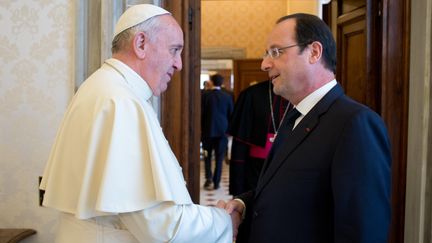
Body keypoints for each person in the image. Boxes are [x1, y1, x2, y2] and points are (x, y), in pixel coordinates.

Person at [39, 4, 233, 243]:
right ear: (140, 44)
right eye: (174, 50)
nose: (179, 64)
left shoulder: (103, 86)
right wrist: (224, 220)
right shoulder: (122, 102)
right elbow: (162, 227)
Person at [221, 13, 391, 243]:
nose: (264, 64)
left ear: (314, 52)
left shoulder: (355, 124)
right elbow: (288, 191)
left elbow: (362, 231)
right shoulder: (295, 116)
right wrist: (242, 204)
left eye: (276, 52)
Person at [228, 80, 291, 196]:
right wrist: (238, 191)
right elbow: (240, 147)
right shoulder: (251, 94)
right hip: (255, 171)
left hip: (291, 170)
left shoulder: (304, 94)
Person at [201, 74, 234, 190]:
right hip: (222, 133)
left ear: (211, 82)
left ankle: (208, 178)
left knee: (207, 156)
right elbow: (231, 115)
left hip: (207, 132)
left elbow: (201, 114)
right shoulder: (227, 97)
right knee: (219, 158)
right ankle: (216, 182)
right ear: (222, 82)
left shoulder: (205, 96)